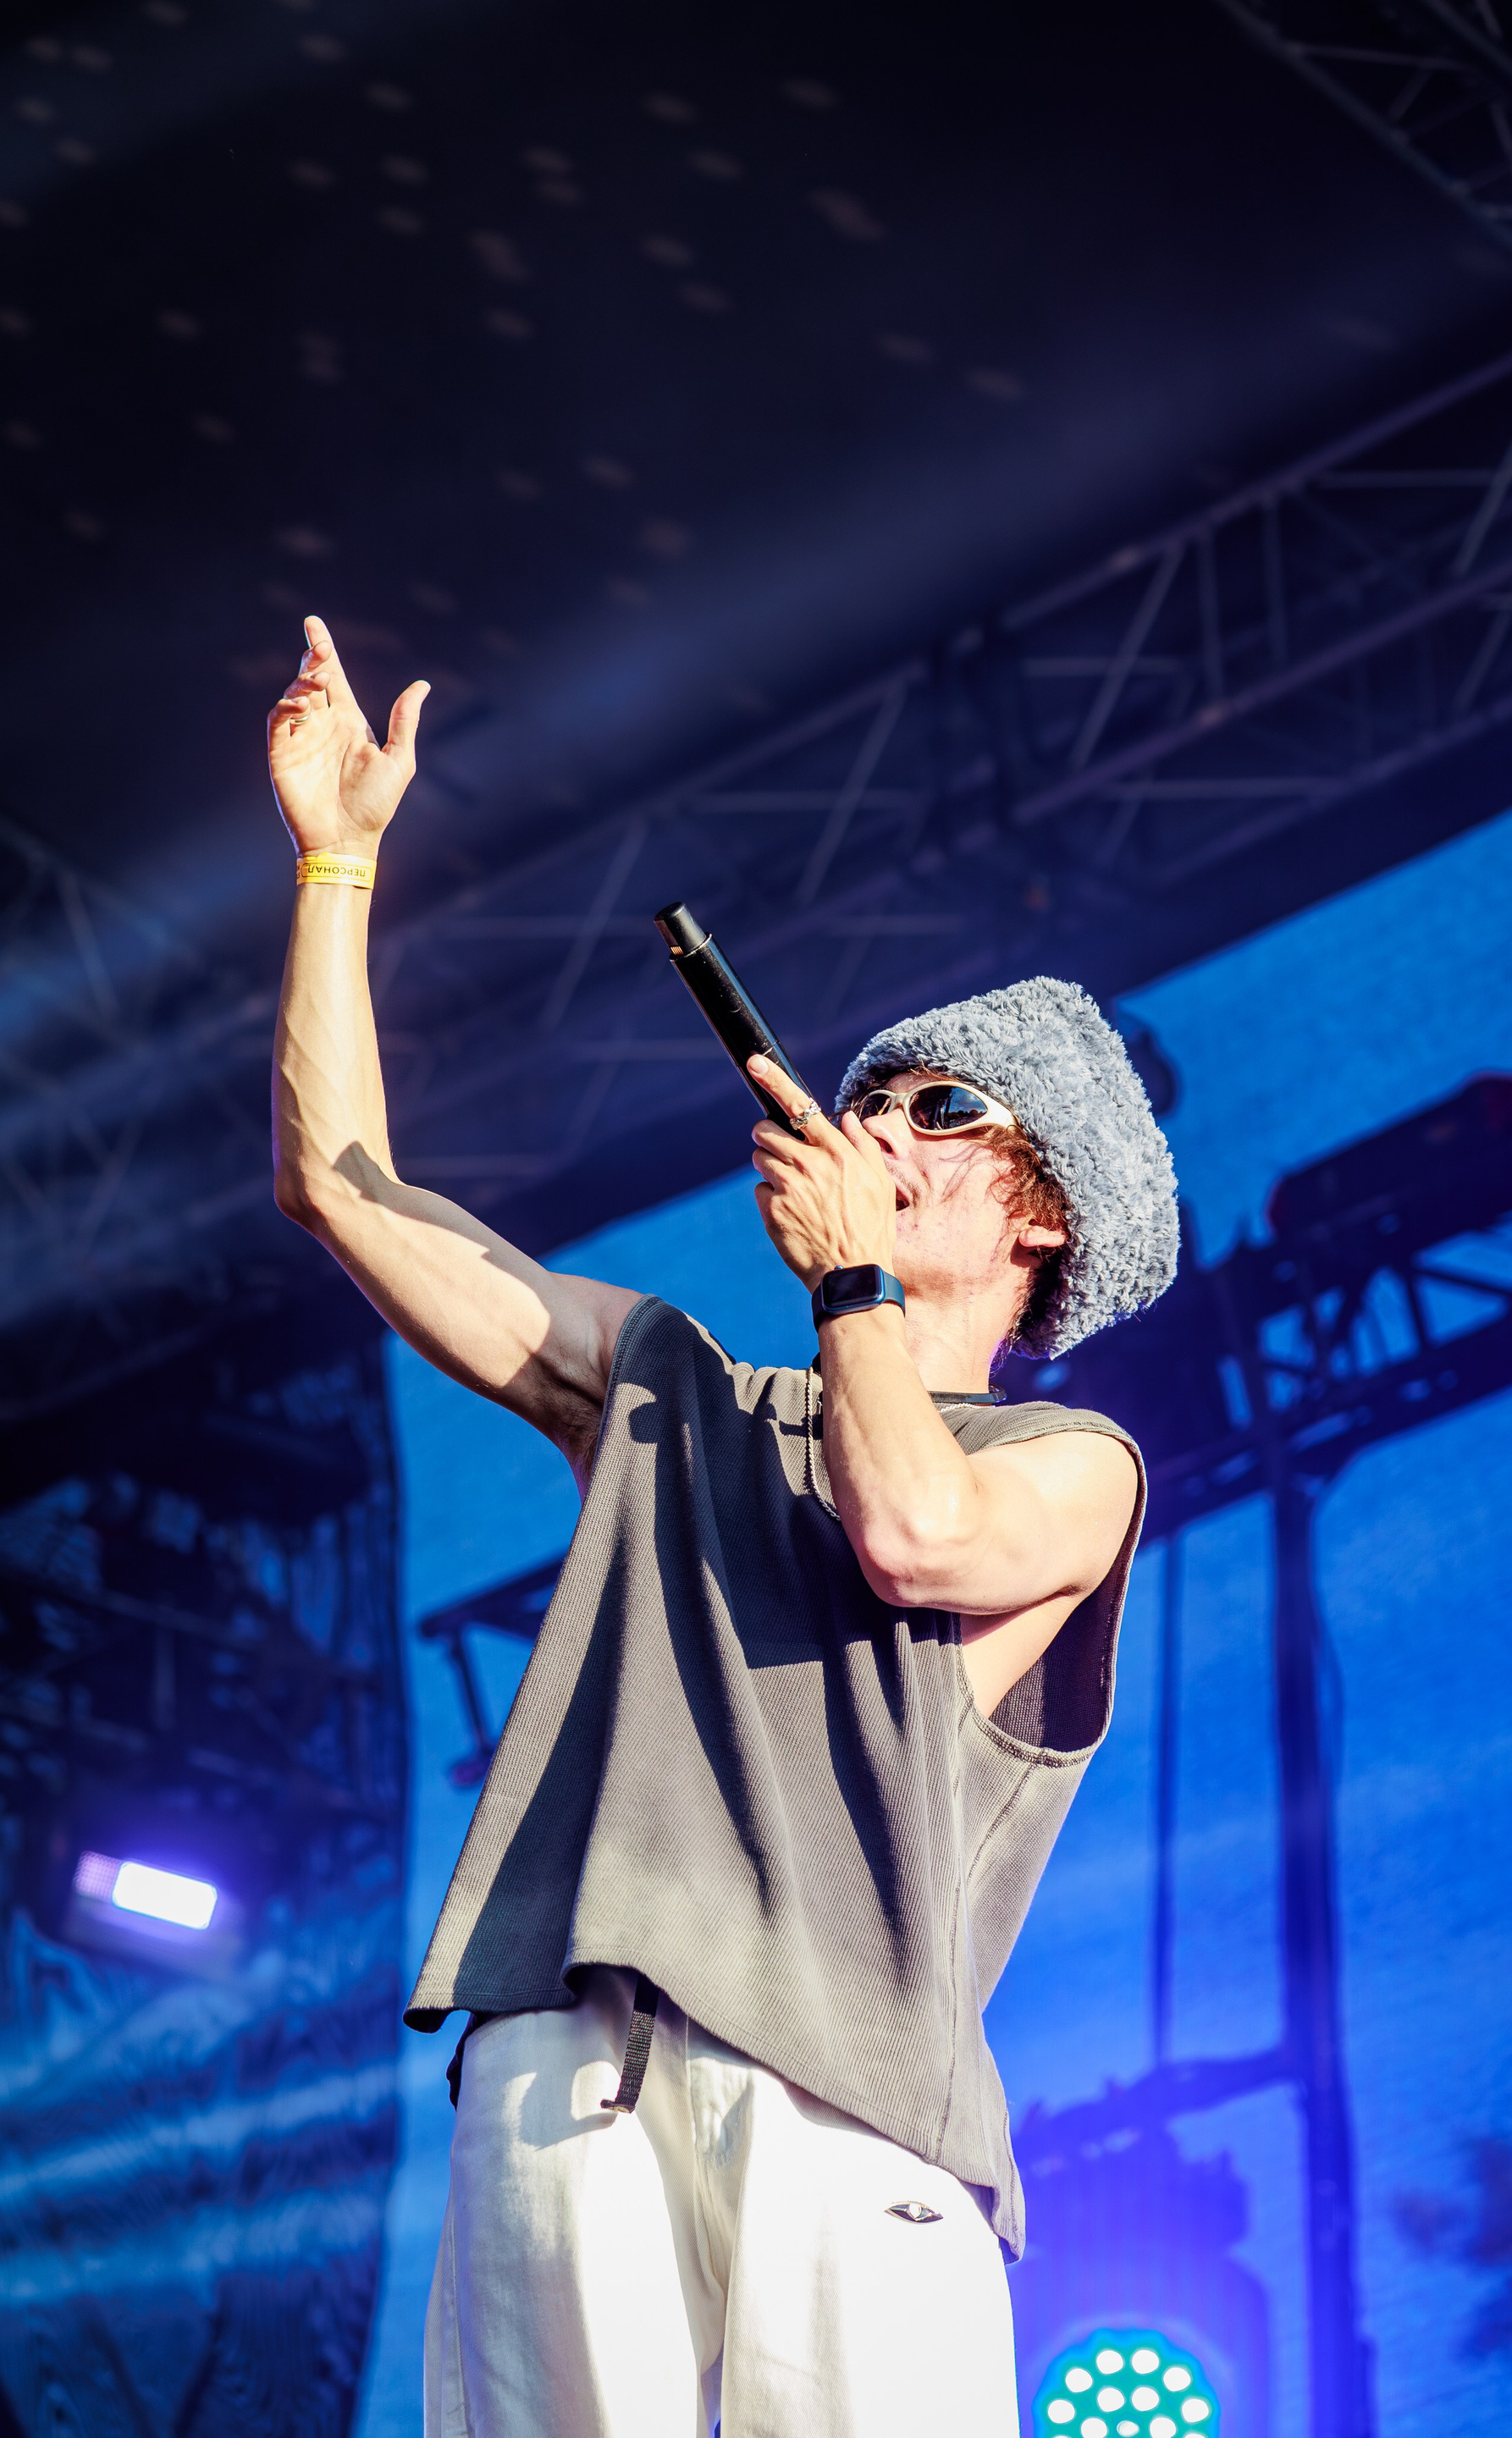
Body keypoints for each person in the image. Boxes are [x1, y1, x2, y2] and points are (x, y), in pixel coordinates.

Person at [268, 618, 1179, 2438]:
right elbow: (345, 1193)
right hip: (568, 2056)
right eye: (865, 1099)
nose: (877, 1124)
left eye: (940, 1109)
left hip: (853, 2100)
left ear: (1046, 1213)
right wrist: (335, 868)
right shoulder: (672, 1388)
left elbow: (915, 1537)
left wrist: (850, 1278)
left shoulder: (1072, 1460)